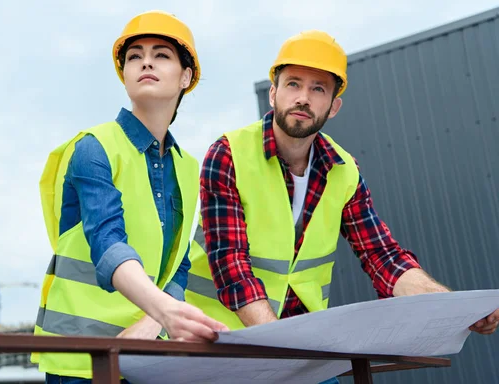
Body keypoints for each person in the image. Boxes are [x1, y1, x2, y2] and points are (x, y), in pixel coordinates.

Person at [184, 30, 499, 383]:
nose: (302, 98)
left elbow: (383, 258)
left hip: (299, 347)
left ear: (333, 106)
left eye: (318, 88)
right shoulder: (228, 154)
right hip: (219, 341)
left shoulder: (344, 170)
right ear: (273, 93)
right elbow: (232, 266)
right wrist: (282, 351)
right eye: (292, 84)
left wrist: (456, 310)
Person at [31, 10, 228, 384]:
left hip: (147, 351)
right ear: (124, 76)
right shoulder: (94, 148)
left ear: (186, 76)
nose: (146, 61)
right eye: (134, 56)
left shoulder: (187, 167)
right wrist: (165, 313)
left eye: (162, 54)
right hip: (81, 360)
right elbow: (107, 243)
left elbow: (177, 263)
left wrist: (154, 320)